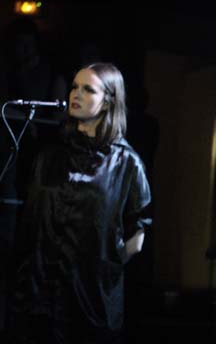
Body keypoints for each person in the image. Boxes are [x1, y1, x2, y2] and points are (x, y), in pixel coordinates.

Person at [8, 63, 151, 343]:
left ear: (109, 100)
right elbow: (30, 222)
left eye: (88, 89)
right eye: (75, 86)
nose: (77, 94)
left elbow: (139, 230)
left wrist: (106, 263)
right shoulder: (49, 156)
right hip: (39, 300)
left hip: (90, 302)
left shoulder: (127, 163)